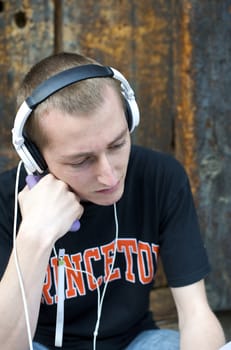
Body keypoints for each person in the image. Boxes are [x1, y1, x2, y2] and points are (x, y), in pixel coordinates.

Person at [0, 52, 226, 350]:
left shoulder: (160, 177)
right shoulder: (7, 198)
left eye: (118, 144)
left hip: (135, 342)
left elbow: (196, 314)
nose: (109, 176)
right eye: (81, 161)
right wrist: (34, 236)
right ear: (36, 158)